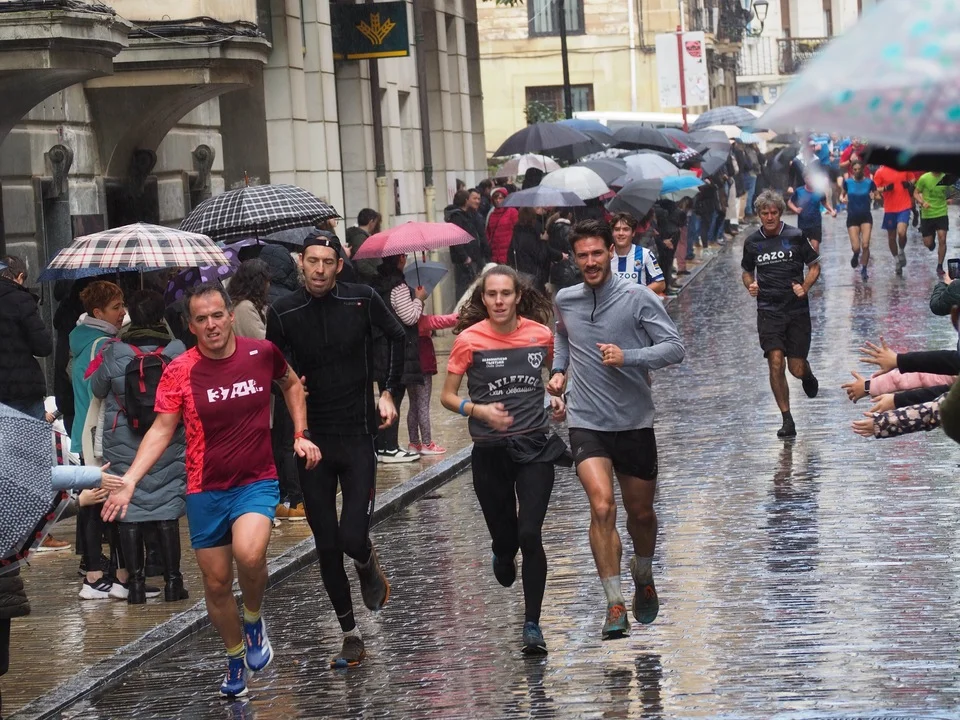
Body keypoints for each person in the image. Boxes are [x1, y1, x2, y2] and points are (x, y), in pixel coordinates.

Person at [101, 282, 320, 698]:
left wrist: (300, 432)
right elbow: (161, 429)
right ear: (190, 325)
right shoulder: (180, 369)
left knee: (250, 554)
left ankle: (253, 620)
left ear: (230, 316)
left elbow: (291, 384)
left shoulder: (261, 353)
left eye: (218, 315)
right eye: (201, 319)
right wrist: (130, 480)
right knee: (217, 584)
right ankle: (235, 656)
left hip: (256, 480)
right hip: (205, 488)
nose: (211, 325)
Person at [266, 234, 404, 669]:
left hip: (358, 435)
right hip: (313, 442)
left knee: (351, 537)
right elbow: (274, 366)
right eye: (313, 261)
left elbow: (397, 336)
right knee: (326, 544)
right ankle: (350, 635)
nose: (320, 269)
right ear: (301, 263)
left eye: (328, 261)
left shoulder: (361, 299)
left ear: (338, 265)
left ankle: (365, 561)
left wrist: (388, 392)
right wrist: (291, 384)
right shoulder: (283, 311)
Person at [548, 219, 685, 640]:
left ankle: (642, 571)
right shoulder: (565, 299)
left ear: (611, 251)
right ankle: (614, 603)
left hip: (633, 420)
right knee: (602, 507)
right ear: (574, 259)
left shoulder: (637, 297)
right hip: (586, 420)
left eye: (597, 253)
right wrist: (558, 371)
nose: (590, 262)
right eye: (582, 255)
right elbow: (562, 336)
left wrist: (629, 356)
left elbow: (675, 348)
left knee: (640, 514)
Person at [441, 265, 567, 654]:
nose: (499, 301)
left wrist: (558, 397)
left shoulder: (540, 335)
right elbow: (447, 396)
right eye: (492, 294)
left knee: (530, 533)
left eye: (506, 294)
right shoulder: (468, 340)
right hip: (490, 452)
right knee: (507, 536)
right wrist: (477, 410)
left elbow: (556, 376)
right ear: (483, 299)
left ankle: (532, 624)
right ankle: (501, 549)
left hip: (534, 447)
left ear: (518, 297)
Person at [89, 290, 189, 604]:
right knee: (168, 508)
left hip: (123, 441)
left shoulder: (115, 351)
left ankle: (135, 586)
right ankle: (173, 583)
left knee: (128, 510)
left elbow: (98, 388)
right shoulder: (177, 349)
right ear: (162, 316)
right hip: (168, 439)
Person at [741, 190, 821, 438]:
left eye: (774, 213)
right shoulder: (752, 242)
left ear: (780, 213)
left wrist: (804, 287)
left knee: (795, 368)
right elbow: (746, 271)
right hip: (768, 311)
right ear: (759, 215)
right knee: (775, 361)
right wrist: (751, 285)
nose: (769, 217)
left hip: (796, 311)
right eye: (765, 213)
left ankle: (807, 374)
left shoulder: (795, 236)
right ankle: (787, 419)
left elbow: (814, 266)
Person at [70, 281, 126, 596]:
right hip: (97, 436)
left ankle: (98, 574)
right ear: (98, 312)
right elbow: (102, 389)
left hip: (85, 432)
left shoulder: (82, 340)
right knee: (97, 505)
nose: (123, 312)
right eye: (116, 307)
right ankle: (95, 576)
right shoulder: (103, 345)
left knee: (94, 503)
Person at [260, 244, 307, 519]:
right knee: (292, 439)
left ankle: (287, 495)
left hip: (275, 381)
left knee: (281, 441)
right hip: (291, 378)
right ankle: (297, 497)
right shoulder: (292, 297)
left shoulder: (270, 301)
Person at [372, 254, 427, 462]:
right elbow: (409, 317)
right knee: (393, 396)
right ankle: (389, 447)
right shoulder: (399, 287)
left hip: (381, 349)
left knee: (385, 396)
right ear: (401, 259)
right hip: (397, 350)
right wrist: (419, 299)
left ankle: (380, 446)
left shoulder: (379, 284)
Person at [0, 256, 53, 420]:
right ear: (20, 276)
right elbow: (43, 347)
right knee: (32, 435)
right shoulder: (21, 299)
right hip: (22, 388)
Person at [408, 309, 458, 455]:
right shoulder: (421, 321)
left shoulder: (403, 321)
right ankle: (427, 444)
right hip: (423, 368)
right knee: (423, 405)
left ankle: (413, 443)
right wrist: (462, 315)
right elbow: (442, 321)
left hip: (409, 368)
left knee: (413, 405)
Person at [508, 206, 565, 294]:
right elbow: (541, 257)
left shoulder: (516, 233)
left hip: (519, 274)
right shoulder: (531, 235)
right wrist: (544, 241)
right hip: (533, 277)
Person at [609, 212, 665, 295]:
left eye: (626, 229)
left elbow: (660, 284)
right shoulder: (605, 255)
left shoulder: (645, 254)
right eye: (617, 229)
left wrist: (637, 293)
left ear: (633, 233)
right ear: (612, 232)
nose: (621, 233)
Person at [873, 165, 914, 275]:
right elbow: (875, 189)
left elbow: (912, 179)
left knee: (901, 232)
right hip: (889, 208)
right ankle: (896, 260)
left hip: (904, 206)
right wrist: (885, 188)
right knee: (891, 237)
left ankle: (901, 250)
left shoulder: (903, 167)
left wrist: (909, 184)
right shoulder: (880, 172)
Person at [840, 161, 877, 280]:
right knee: (856, 247)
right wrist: (842, 199)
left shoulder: (869, 182)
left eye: (858, 169)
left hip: (866, 216)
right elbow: (842, 195)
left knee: (865, 245)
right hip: (852, 217)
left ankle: (864, 269)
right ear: (852, 170)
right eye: (854, 169)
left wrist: (874, 196)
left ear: (863, 170)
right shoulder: (848, 182)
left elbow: (878, 196)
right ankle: (856, 255)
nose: (856, 171)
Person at [446, 190, 485, 298]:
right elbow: (456, 239)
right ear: (466, 200)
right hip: (465, 259)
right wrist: (465, 257)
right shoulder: (457, 217)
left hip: (471, 256)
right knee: (464, 287)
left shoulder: (466, 215)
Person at [787, 171, 836, 253]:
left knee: (815, 247)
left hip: (816, 223)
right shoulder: (799, 191)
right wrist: (796, 209)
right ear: (804, 179)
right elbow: (790, 202)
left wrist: (832, 210)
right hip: (803, 224)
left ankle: (816, 261)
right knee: (805, 249)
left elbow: (824, 203)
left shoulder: (819, 191)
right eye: (808, 178)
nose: (810, 180)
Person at [915, 170, 950, 275]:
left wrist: (950, 198)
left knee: (942, 239)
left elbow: (953, 191)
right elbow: (915, 193)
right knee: (928, 243)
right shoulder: (924, 178)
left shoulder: (946, 177)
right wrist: (922, 202)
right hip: (927, 214)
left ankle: (940, 265)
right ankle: (931, 242)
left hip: (941, 212)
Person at [229, 259, 270, 340]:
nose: (268, 284)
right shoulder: (245, 307)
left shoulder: (241, 303)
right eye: (267, 280)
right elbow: (261, 339)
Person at [344, 208, 382, 285]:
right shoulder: (360, 238)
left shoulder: (359, 236)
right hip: (365, 281)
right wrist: (377, 275)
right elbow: (362, 263)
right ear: (371, 222)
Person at [486, 188, 518, 264]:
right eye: (496, 198)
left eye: (501, 198)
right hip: (495, 253)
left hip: (509, 252)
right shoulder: (492, 215)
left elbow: (517, 230)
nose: (498, 200)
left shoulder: (512, 212)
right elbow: (488, 233)